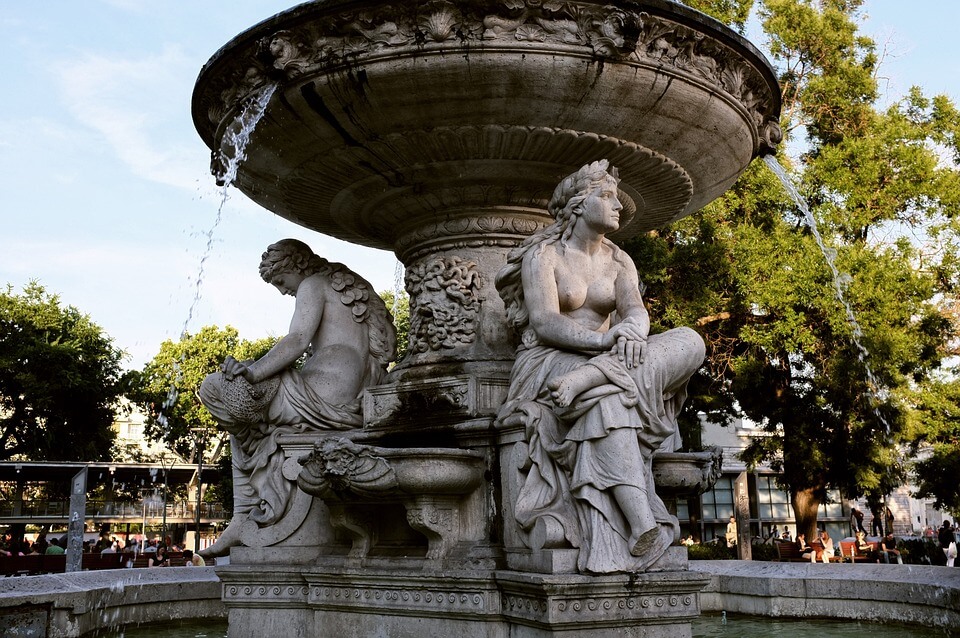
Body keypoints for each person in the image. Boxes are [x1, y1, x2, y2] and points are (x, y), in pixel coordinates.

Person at [495, 160, 706, 573]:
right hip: (550, 359)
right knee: (609, 403)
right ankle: (641, 523)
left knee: (690, 340)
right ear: (578, 205)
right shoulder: (544, 256)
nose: (618, 206)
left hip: (603, 361)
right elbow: (545, 321)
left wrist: (630, 333)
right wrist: (603, 341)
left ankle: (591, 379)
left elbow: (636, 312)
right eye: (606, 196)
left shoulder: (619, 260)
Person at [199, 239, 396, 557]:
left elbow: (298, 339)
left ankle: (244, 513)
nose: (282, 291)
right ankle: (243, 513)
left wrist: (253, 372)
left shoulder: (313, 284)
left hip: (321, 394)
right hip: (351, 392)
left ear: (297, 265)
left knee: (216, 388)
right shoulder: (344, 287)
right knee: (244, 417)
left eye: (280, 280)